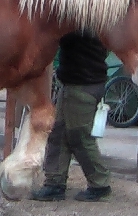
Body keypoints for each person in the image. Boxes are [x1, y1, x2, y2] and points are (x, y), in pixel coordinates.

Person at [31, 31, 112, 202]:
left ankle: (100, 183)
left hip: (81, 84)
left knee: (79, 136)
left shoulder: (79, 24)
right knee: (58, 132)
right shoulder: (93, 23)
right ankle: (54, 183)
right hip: (78, 83)